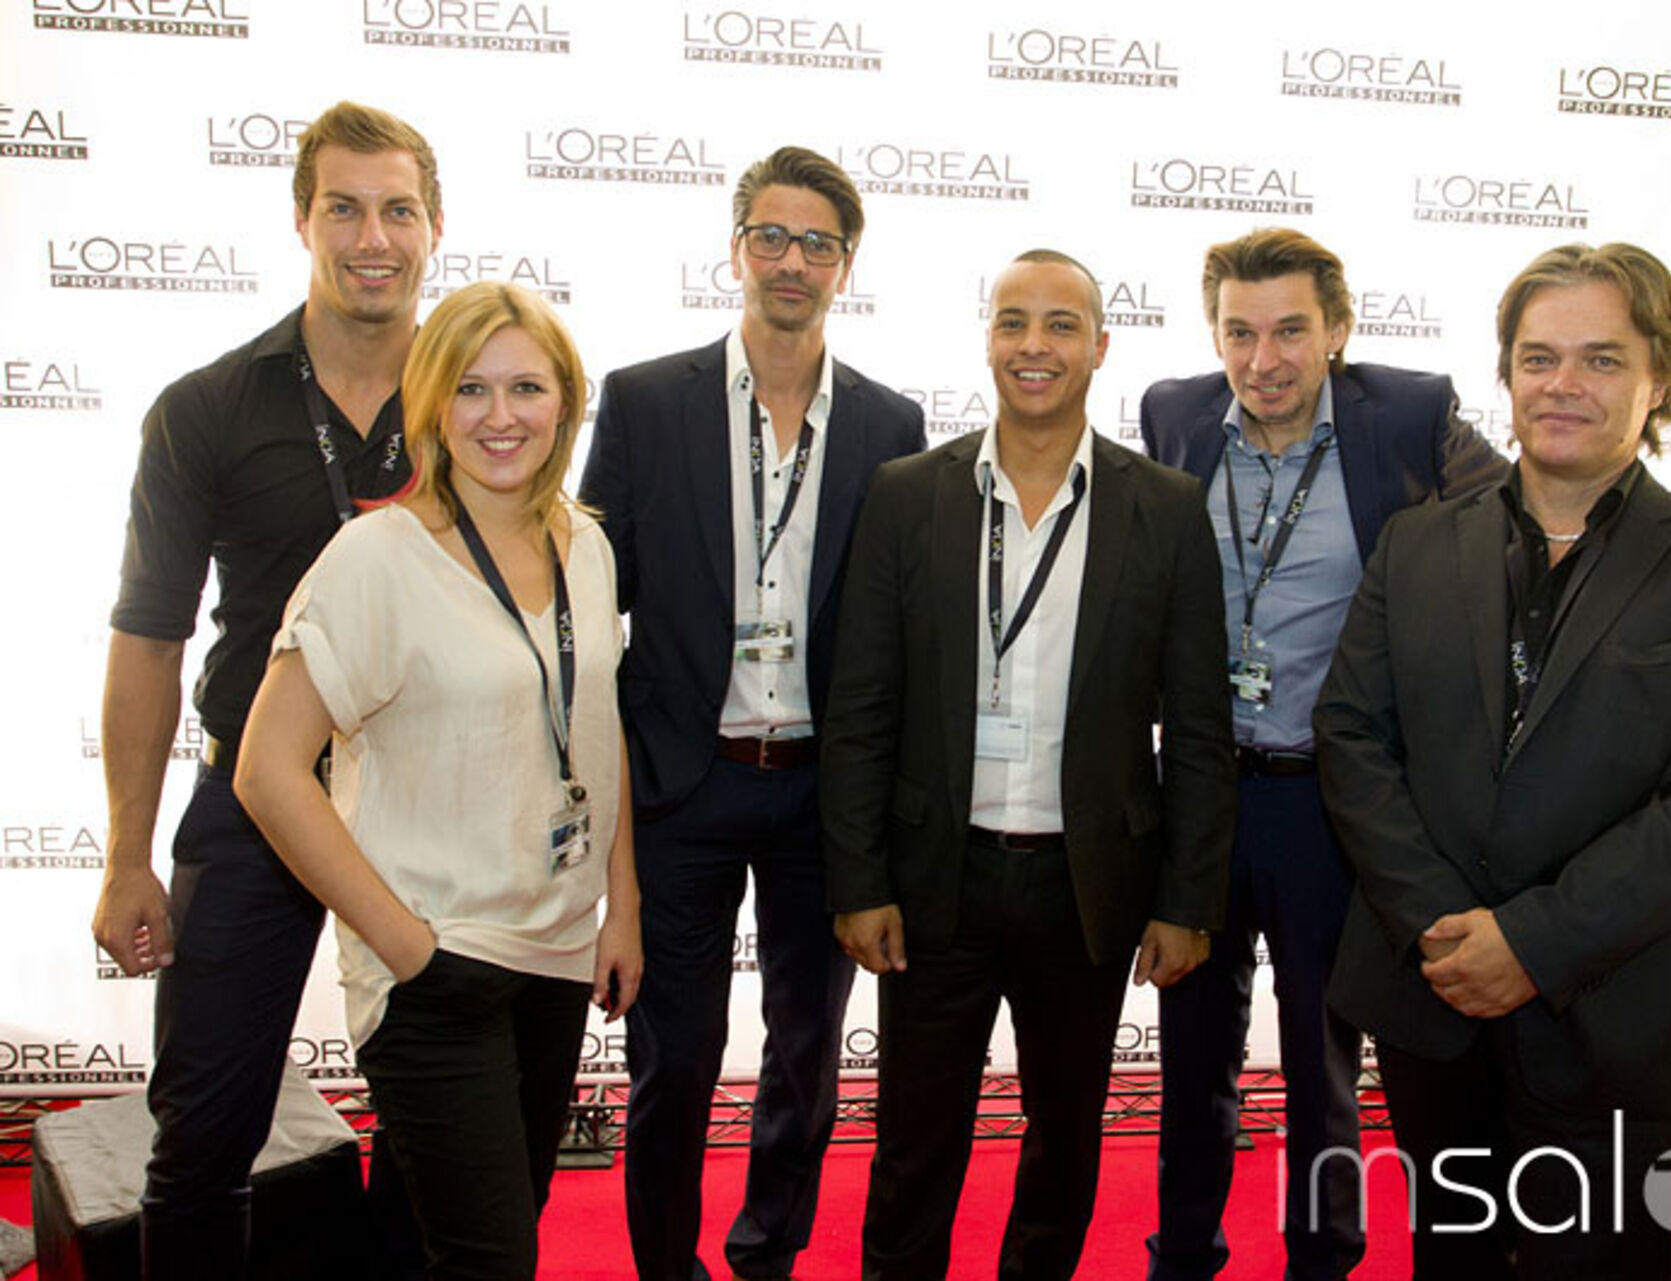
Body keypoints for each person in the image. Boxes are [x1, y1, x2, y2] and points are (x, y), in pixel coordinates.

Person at [1313, 242, 1671, 1277]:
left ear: (1659, 379)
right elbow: (1353, 736)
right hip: (1434, 1007)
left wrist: (1531, 944)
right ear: (1507, 373)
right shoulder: (1414, 545)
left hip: (1631, 1027)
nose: (1562, 383)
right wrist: (1442, 928)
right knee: (1453, 1261)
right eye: (1538, 357)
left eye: (1601, 358)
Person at [821, 249, 1237, 1279]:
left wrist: (1187, 900)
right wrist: (859, 880)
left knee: (1066, 1139)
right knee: (914, 1142)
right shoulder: (907, 494)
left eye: (1060, 324)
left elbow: (1197, 728)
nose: (1033, 346)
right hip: (936, 876)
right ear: (988, 341)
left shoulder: (1167, 508)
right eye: (1012, 322)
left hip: (1085, 884)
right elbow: (862, 708)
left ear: (1100, 346)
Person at [91, 100, 442, 1279]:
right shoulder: (206, 409)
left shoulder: (481, 405)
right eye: (344, 209)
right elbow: (149, 638)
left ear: (435, 228)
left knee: (435, 1133)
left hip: (428, 807)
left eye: (398, 211)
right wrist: (126, 855)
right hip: (254, 799)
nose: (372, 238)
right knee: (202, 1137)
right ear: (302, 221)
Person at [233, 280, 641, 1279]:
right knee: (490, 1257)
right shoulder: (378, 557)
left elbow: (596, 733)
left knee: (437, 1239)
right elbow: (267, 770)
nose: (501, 416)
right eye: (470, 388)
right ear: (430, 403)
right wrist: (405, 944)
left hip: (554, 951)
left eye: (526, 387)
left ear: (566, 401)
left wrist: (620, 906)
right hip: (436, 962)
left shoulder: (585, 544)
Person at [577, 144, 925, 1281]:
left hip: (822, 793)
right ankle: (665, 1266)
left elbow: (897, 629)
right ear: (735, 251)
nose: (791, 261)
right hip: (682, 780)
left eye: (817, 243)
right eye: (770, 236)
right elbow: (590, 602)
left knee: (807, 1054)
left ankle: (767, 1250)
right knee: (673, 1058)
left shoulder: (890, 424)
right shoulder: (644, 401)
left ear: (846, 265)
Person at [1141, 227, 1503, 1281]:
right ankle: (1183, 1253)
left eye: (1291, 331)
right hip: (1200, 794)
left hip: (1330, 802)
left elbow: (1521, 519)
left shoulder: (1410, 414)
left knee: (1323, 1061)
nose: (1263, 361)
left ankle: (1323, 1254)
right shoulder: (1173, 415)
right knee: (1191, 1057)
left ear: (1338, 330)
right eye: (1239, 334)